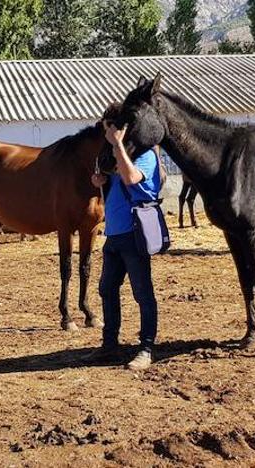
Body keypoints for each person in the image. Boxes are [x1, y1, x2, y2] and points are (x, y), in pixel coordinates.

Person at [88, 122, 161, 370]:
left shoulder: (146, 156)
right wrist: (101, 180)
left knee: (142, 293)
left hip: (134, 234)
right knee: (107, 289)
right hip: (115, 235)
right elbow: (116, 183)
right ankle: (110, 345)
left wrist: (117, 143)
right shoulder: (119, 157)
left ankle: (146, 348)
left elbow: (131, 178)